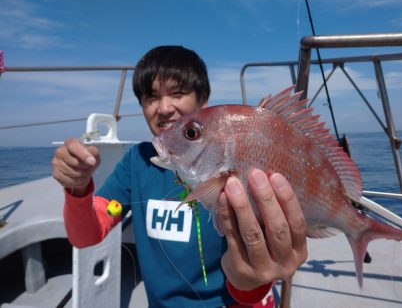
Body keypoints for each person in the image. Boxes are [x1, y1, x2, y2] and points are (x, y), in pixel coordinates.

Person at [52, 45, 307, 307]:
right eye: (151, 98)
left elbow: (254, 275)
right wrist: (78, 189)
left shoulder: (236, 162)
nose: (163, 108)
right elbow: (88, 233)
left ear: (203, 99)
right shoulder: (136, 163)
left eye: (177, 93)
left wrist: (250, 282)